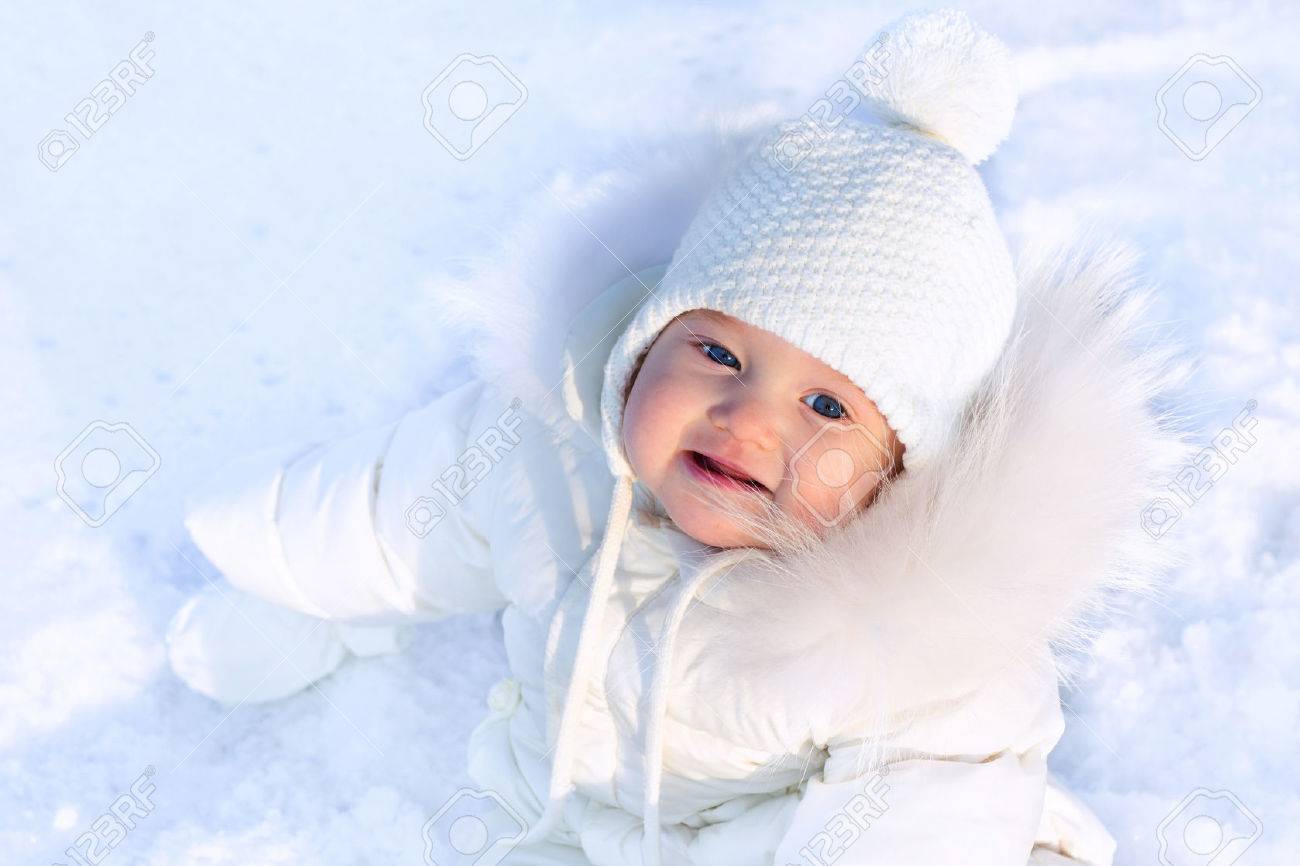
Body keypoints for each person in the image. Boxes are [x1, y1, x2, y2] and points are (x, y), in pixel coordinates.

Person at [166, 9, 1189, 864]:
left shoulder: (918, 639)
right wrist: (276, 564)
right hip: (572, 823)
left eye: (828, 407)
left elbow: (926, 806)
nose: (748, 419)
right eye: (717, 353)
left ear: (899, 470)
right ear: (644, 342)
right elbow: (392, 512)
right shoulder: (547, 459)